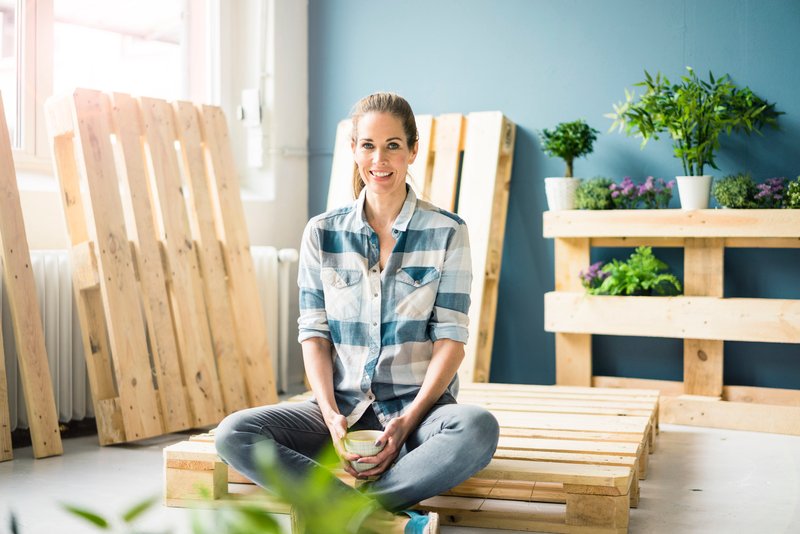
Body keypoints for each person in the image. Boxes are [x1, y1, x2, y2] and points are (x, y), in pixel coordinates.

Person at [215, 92, 499, 534]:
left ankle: (347, 509)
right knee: (233, 433)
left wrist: (408, 422)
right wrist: (329, 415)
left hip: (419, 411)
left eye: (392, 145)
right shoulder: (322, 232)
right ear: (353, 149)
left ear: (412, 150)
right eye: (368, 145)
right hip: (342, 407)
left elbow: (451, 339)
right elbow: (314, 334)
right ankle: (377, 518)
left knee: (478, 428)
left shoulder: (448, 231)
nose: (379, 159)